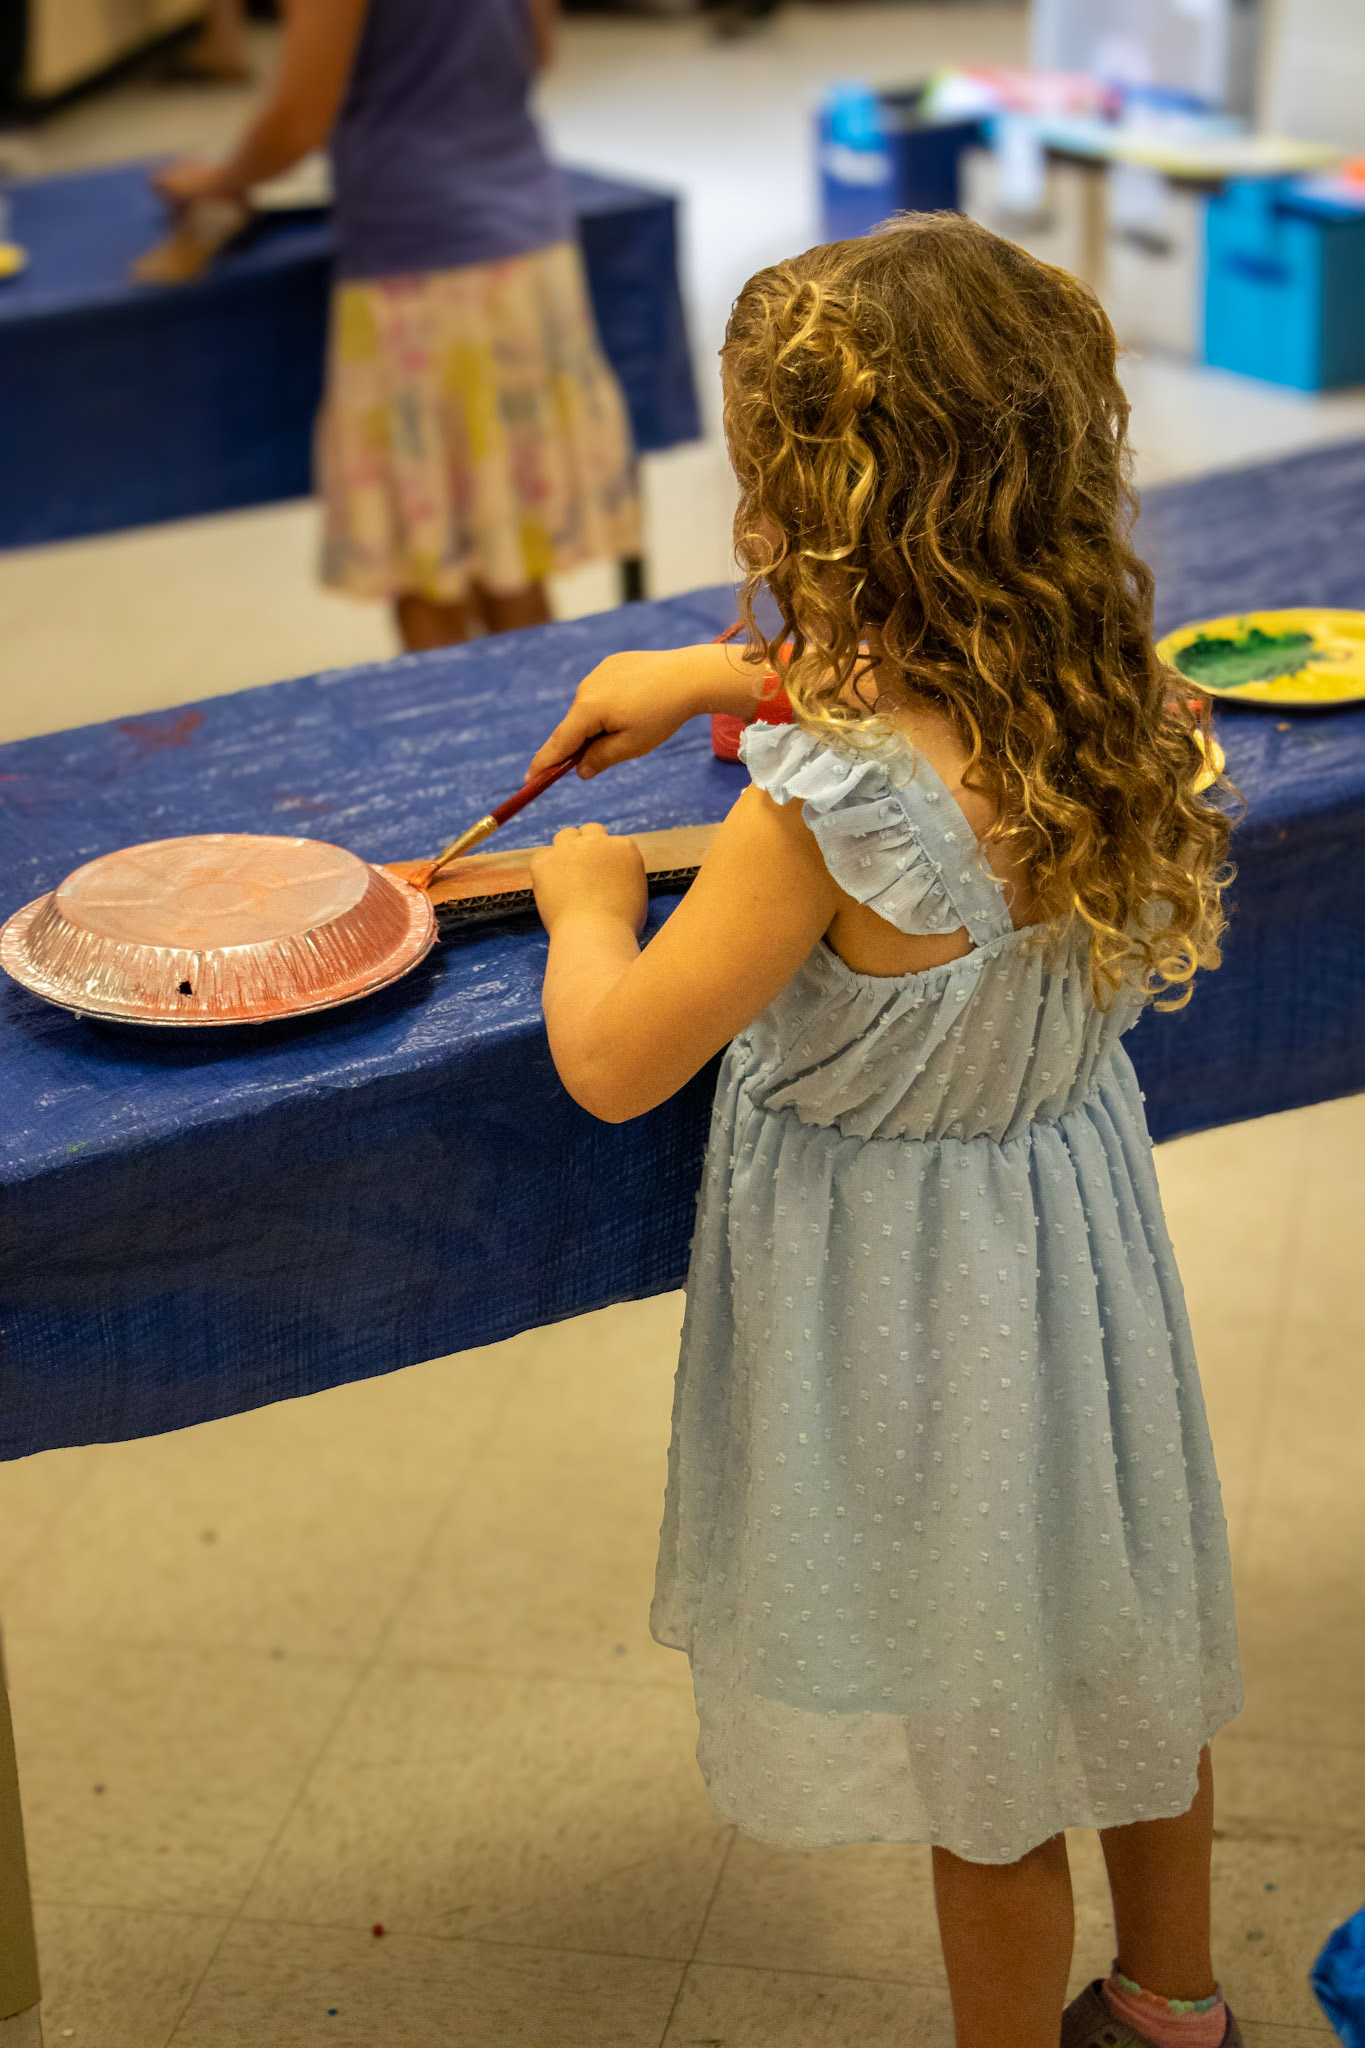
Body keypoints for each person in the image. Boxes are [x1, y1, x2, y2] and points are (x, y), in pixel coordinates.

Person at [522, 213, 1244, 2048]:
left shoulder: (815, 818)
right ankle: (1175, 2003)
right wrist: (720, 681)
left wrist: (587, 907)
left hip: (918, 1317)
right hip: (1073, 1261)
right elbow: (939, 702)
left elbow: (614, 1062)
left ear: (827, 518)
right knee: (1126, 1652)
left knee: (980, 1752)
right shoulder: (1109, 687)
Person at [153, 0, 638, 651]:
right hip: (530, 252)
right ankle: (548, 719)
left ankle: (466, 723)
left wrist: (217, 179)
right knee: (513, 560)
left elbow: (300, 117)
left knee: (426, 569)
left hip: (417, 274)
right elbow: (536, 50)